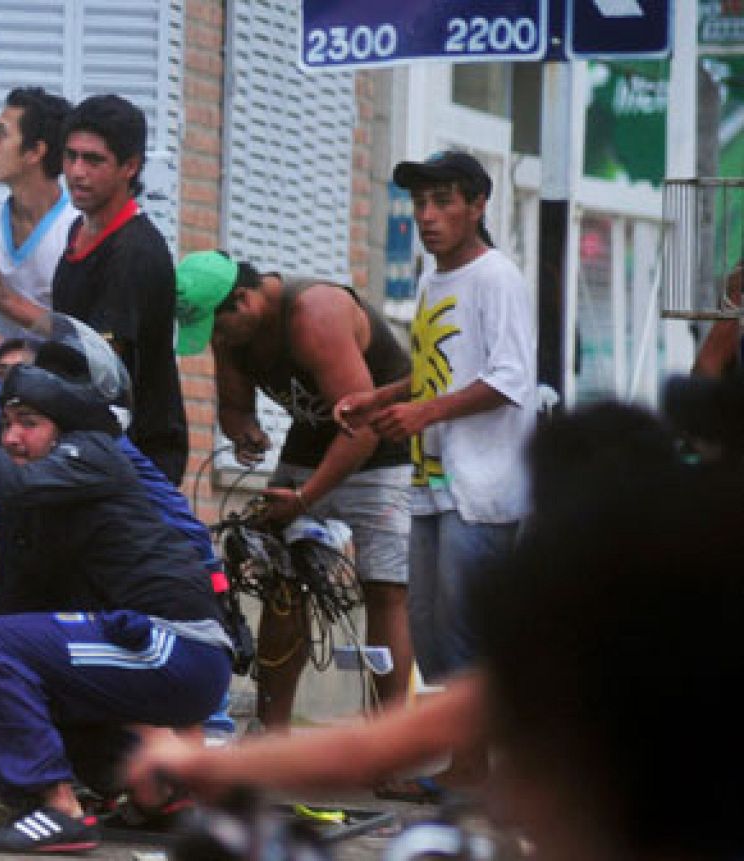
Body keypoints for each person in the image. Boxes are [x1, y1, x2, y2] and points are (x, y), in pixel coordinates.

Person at [129, 403, 744, 861]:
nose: (510, 801)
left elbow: (375, 749)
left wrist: (202, 763)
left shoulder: (572, 657)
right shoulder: (623, 648)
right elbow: (378, 748)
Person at [0, 315, 233, 854]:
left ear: (62, 428)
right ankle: (161, 791)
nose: (11, 437)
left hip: (179, 646)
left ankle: (55, 809)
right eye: (6, 423)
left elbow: (10, 481)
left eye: (28, 423)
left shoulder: (94, 456)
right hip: (158, 650)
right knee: (4, 650)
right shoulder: (40, 510)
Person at [333, 150, 535, 796]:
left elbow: (509, 378)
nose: (428, 215)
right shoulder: (429, 279)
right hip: (430, 485)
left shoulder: (497, 276)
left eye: (444, 200)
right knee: (435, 633)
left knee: (468, 634)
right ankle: (460, 768)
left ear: (478, 205)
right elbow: (436, 369)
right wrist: (382, 399)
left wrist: (421, 412)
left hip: (484, 488)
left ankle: (474, 774)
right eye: (420, 203)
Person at [179, 250, 414, 730]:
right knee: (281, 582)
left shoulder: (314, 313)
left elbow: (364, 428)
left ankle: (390, 747)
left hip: (383, 443)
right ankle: (273, 732)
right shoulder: (233, 335)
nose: (216, 342)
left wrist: (306, 498)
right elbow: (235, 409)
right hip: (309, 443)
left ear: (242, 302)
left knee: (384, 589)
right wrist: (244, 432)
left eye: (218, 330)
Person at [50, 95, 187, 484]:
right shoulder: (79, 230)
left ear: (130, 167)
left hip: (135, 457)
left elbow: (102, 367)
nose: (76, 172)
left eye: (93, 160)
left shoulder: (134, 251)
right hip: (92, 446)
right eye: (70, 156)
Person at [0, 87, 78, 349]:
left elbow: (83, 337)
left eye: (1, 133)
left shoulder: (76, 232)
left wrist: (7, 302)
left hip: (52, 385)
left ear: (34, 152)